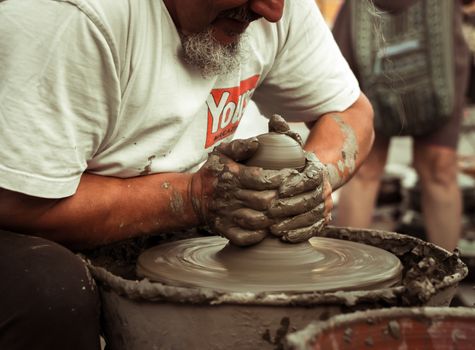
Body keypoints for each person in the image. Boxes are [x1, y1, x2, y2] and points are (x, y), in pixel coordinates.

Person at [0, 0, 374, 348]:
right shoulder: (75, 18)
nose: (272, 12)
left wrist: (312, 179)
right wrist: (192, 197)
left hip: (149, 204)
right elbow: (16, 203)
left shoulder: (273, 5)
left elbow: (352, 114)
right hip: (18, 216)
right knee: (48, 287)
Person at [333, 0, 472, 252]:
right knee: (364, 166)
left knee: (439, 166)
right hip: (363, 19)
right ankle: (350, 277)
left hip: (437, 30)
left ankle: (445, 273)